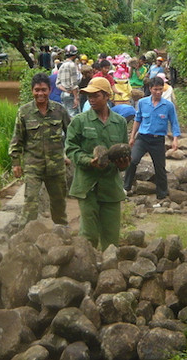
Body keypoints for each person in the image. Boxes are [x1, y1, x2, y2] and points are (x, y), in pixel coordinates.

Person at [65, 77, 130, 250]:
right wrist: (89, 161)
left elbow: (123, 153)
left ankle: (109, 272)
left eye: (96, 95)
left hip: (110, 186)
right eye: (88, 96)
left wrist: (123, 164)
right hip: (87, 185)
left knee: (111, 237)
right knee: (89, 234)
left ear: (107, 96)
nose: (91, 99)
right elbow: (71, 149)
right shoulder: (79, 121)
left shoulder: (119, 122)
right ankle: (86, 269)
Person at [8, 73, 72, 226]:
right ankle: (25, 233)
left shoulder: (59, 110)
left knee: (58, 200)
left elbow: (72, 134)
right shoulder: (24, 112)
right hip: (33, 165)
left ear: (50, 90)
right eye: (37, 90)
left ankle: (61, 229)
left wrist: (68, 154)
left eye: (43, 90)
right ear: (32, 91)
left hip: (56, 165)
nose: (40, 94)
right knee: (30, 199)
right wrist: (16, 162)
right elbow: (17, 138)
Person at [124, 77, 181, 200]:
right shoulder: (143, 103)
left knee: (160, 167)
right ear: (150, 89)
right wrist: (132, 136)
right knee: (133, 160)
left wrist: (175, 139)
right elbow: (137, 120)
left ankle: (162, 194)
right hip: (143, 138)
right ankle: (126, 187)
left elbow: (174, 123)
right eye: (156, 89)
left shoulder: (168, 105)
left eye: (161, 90)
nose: (158, 92)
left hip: (158, 140)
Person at [57, 45, 82, 117]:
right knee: (75, 117)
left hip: (64, 94)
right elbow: (74, 84)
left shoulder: (62, 65)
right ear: (74, 55)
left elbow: (58, 84)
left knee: (66, 116)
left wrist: (66, 90)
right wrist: (76, 97)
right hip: (72, 95)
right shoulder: (72, 65)